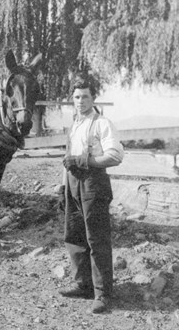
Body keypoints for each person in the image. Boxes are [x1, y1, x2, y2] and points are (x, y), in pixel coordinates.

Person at [58, 72, 124, 314]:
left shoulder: (102, 124)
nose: (80, 101)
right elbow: (66, 158)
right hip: (73, 185)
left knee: (96, 239)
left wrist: (86, 160)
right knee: (74, 236)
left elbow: (115, 156)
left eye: (85, 97)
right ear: (72, 99)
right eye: (76, 97)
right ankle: (84, 285)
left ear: (93, 98)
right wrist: (63, 185)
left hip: (94, 185)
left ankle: (103, 293)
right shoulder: (74, 124)